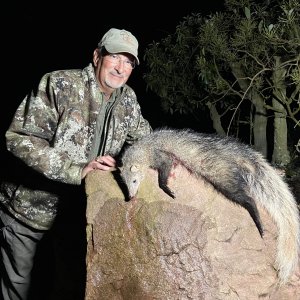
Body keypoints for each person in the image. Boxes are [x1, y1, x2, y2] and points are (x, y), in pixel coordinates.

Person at [0, 28, 152, 300]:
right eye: (115, 57)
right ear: (97, 56)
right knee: (19, 284)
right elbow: (19, 138)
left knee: (71, 284)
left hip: (77, 215)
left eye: (128, 62)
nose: (120, 68)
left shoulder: (128, 100)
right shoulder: (59, 84)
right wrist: (77, 170)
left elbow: (144, 141)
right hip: (29, 208)